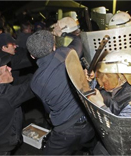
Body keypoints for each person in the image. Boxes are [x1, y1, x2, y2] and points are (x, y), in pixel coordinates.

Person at [26, 17, 96, 155]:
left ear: (32, 56)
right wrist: (63, 34)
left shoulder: (35, 83)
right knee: (92, 147)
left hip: (65, 131)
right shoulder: (67, 53)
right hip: (89, 120)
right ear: (53, 46)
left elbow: (48, 109)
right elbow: (78, 40)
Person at [86, 52, 131, 154]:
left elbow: (126, 137)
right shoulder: (115, 84)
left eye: (107, 75)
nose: (103, 79)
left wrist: (100, 106)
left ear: (122, 76)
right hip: (107, 137)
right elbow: (100, 88)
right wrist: (91, 81)